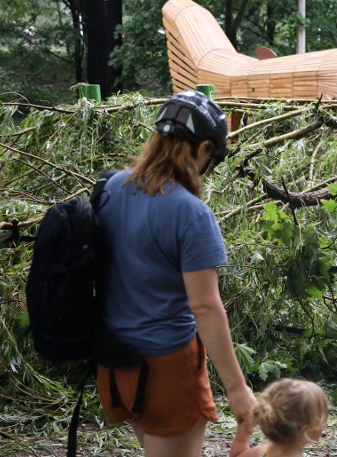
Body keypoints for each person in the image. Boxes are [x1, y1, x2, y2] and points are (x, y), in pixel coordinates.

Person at [95, 90, 257, 456]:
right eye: (211, 157)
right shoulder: (190, 213)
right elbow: (205, 308)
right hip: (166, 366)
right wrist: (236, 389)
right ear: (202, 149)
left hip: (116, 363)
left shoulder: (109, 189)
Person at [230, 378, 328, 457]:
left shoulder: (261, 452)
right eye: (322, 418)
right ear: (305, 430)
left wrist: (244, 430)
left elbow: (237, 455)